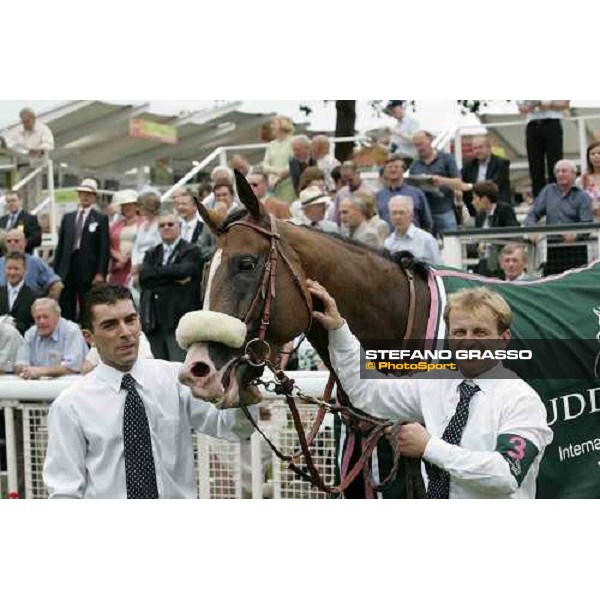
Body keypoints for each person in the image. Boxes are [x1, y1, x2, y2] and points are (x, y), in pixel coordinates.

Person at [307, 280, 553, 499]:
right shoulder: (436, 383)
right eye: (459, 332)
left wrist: (429, 447)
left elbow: (506, 474)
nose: (468, 341)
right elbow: (367, 391)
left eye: (480, 332)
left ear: (504, 339)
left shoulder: (522, 400)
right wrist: (338, 330)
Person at [42, 285, 257, 499]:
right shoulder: (70, 405)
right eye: (110, 325)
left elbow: (234, 428)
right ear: (89, 337)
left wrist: (244, 387)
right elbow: (65, 491)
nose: (125, 333)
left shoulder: (177, 379)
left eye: (130, 320)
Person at [139, 212, 203, 361]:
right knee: (160, 366)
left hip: (177, 318)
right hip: (154, 320)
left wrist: (156, 274)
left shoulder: (191, 250)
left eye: (170, 224)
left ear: (179, 227)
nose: (166, 227)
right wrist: (172, 277)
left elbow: (184, 271)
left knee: (178, 366)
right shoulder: (152, 253)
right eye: (162, 225)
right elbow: (144, 278)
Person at [52, 178, 109, 322]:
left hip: (88, 268)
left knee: (87, 303)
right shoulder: (68, 218)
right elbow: (61, 246)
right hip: (67, 267)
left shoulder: (100, 218)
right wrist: (55, 272)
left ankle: (86, 335)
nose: (85, 197)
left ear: (94, 197)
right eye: (82, 193)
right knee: (66, 303)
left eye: (89, 194)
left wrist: (101, 272)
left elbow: (104, 248)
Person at [525, 159, 593, 275]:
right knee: (550, 281)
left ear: (573, 174)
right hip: (553, 248)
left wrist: (576, 234)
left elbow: (587, 223)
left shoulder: (583, 196)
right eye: (557, 171)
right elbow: (533, 214)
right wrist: (531, 229)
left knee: (574, 283)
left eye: (564, 171)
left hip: (575, 249)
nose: (560, 174)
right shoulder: (548, 191)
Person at [15, 298, 88, 380]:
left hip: (69, 384)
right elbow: (20, 364)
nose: (41, 321)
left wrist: (41, 371)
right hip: (37, 386)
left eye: (45, 317)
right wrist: (24, 369)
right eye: (38, 318)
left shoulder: (71, 330)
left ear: (57, 316)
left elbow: (73, 368)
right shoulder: (30, 333)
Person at [410, 131, 463, 236]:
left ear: (430, 140)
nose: (419, 148)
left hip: (444, 210)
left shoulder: (446, 158)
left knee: (451, 242)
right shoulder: (414, 166)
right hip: (424, 214)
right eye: (416, 145)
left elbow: (459, 183)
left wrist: (441, 180)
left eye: (421, 144)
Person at [0, 108, 55, 208]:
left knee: (34, 194)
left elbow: (50, 145)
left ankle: (32, 218)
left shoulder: (43, 129)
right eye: (23, 122)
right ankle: (23, 218)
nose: (25, 124)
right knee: (20, 192)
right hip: (22, 165)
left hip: (37, 165)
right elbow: (9, 143)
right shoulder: (19, 130)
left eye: (27, 121)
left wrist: (39, 149)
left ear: (33, 118)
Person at [517, 101, 570, 197]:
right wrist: (531, 105)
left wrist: (546, 104)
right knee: (535, 165)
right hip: (533, 123)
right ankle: (538, 198)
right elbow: (521, 109)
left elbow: (565, 104)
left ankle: (557, 196)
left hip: (551, 122)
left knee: (554, 162)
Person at [0, 228, 62, 299]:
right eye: (9, 241)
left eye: (16, 241)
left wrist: (49, 303)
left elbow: (57, 284)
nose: (12, 243)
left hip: (30, 305)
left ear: (25, 243)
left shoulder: (36, 263)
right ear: (5, 244)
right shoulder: (0, 263)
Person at [376, 154, 433, 231]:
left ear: (404, 170)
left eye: (396, 167)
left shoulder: (416, 194)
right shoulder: (379, 196)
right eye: (389, 167)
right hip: (388, 240)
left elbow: (427, 222)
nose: (393, 170)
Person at [461, 135, 512, 214]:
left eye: (480, 147)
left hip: (497, 206)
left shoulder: (501, 163)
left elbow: (493, 185)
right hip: (476, 206)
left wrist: (471, 186)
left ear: (489, 147)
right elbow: (461, 180)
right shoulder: (469, 165)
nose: (477, 151)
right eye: (475, 148)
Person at [383, 196, 440, 263]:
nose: (398, 217)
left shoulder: (426, 240)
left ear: (411, 215)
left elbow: (438, 269)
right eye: (394, 213)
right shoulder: (388, 243)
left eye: (402, 213)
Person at [0, 251, 38, 334]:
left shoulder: (34, 297)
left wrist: (16, 325)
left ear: (25, 270)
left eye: (16, 269)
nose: (12, 273)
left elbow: (36, 325)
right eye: (9, 268)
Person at [108, 190, 141, 286]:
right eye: (123, 205)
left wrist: (130, 255)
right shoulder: (115, 225)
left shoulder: (144, 223)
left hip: (137, 268)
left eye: (129, 205)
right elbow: (107, 244)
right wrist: (116, 255)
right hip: (118, 268)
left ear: (136, 206)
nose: (126, 208)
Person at [131, 189, 162, 288]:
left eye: (139, 205)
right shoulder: (143, 225)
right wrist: (134, 265)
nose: (137, 208)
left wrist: (140, 266)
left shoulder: (160, 224)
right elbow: (136, 247)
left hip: (151, 269)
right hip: (136, 270)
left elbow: (157, 247)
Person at [262, 116, 295, 203]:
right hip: (273, 184)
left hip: (289, 184)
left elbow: (292, 163)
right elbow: (265, 165)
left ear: (282, 124)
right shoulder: (271, 145)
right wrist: (277, 172)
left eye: (274, 123)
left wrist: (280, 176)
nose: (272, 126)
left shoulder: (293, 142)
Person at [0, 190, 42, 254]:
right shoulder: (2, 220)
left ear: (20, 201)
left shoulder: (29, 218)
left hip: (22, 257)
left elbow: (37, 239)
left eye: (13, 200)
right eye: (8, 201)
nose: (11, 203)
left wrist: (19, 243)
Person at [385, 100, 420, 166]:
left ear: (401, 107)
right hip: (395, 158)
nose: (393, 112)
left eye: (394, 109)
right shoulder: (396, 125)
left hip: (407, 159)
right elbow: (393, 147)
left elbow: (415, 140)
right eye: (391, 111)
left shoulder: (412, 122)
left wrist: (397, 133)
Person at [577, 140, 600, 218]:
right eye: (592, 154)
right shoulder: (581, 180)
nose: (596, 156)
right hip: (589, 221)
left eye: (599, 153)